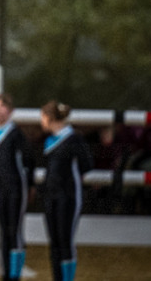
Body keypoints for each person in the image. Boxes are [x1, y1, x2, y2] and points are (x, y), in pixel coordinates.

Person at [40, 100, 93, 281]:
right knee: (54, 242)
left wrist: (71, 180)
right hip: (51, 196)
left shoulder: (74, 139)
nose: (41, 121)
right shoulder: (48, 141)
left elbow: (87, 165)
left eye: (43, 117)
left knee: (65, 241)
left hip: (68, 196)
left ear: (50, 118)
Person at [0, 93, 33, 281]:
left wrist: (30, 187)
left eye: (3, 106)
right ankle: (5, 272)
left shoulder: (16, 134)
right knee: (3, 231)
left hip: (16, 189)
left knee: (15, 231)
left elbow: (30, 162)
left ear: (11, 111)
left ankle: (15, 274)